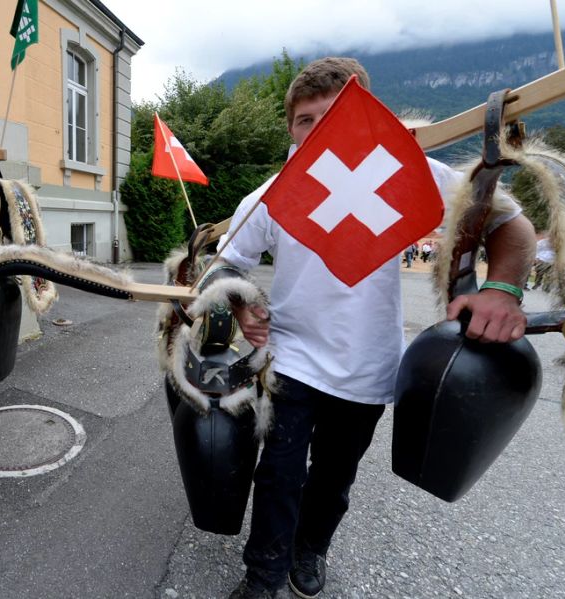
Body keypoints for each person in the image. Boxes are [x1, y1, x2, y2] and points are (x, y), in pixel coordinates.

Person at [221, 57, 535, 599]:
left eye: (334, 115)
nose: (318, 130)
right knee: (278, 474)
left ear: (367, 114)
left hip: (368, 364)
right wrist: (242, 303)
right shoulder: (278, 192)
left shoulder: (407, 171)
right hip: (291, 355)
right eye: (305, 121)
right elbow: (227, 264)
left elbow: (511, 223)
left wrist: (501, 289)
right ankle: (263, 578)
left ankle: (310, 548)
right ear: (290, 131)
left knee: (334, 477)